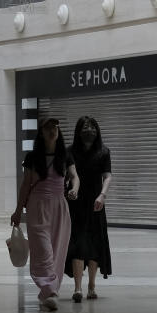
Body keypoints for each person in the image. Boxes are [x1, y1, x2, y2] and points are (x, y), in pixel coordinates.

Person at [11, 117, 79, 311]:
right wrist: (17, 211)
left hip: (60, 206)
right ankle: (50, 291)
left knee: (57, 249)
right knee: (43, 250)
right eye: (48, 127)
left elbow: (75, 177)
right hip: (37, 206)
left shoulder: (65, 156)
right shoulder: (32, 157)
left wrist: (75, 189)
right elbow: (25, 185)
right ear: (41, 133)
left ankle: (49, 291)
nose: (53, 130)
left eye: (55, 127)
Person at [66, 116, 113, 303]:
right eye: (86, 127)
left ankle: (91, 286)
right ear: (78, 131)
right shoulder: (70, 152)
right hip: (75, 203)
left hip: (96, 203)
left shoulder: (103, 152)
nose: (90, 130)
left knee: (94, 244)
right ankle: (77, 288)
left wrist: (102, 195)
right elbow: (65, 174)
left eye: (93, 127)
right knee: (77, 243)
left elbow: (108, 176)